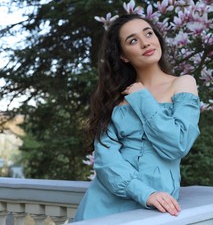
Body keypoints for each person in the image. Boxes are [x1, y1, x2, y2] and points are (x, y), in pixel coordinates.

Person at [74, 14, 201, 221]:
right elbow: (106, 160)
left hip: (154, 207)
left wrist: (143, 98)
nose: (145, 43)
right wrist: (145, 193)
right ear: (123, 55)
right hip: (102, 204)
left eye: (148, 34)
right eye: (133, 40)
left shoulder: (183, 83)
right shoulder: (115, 100)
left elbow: (178, 144)